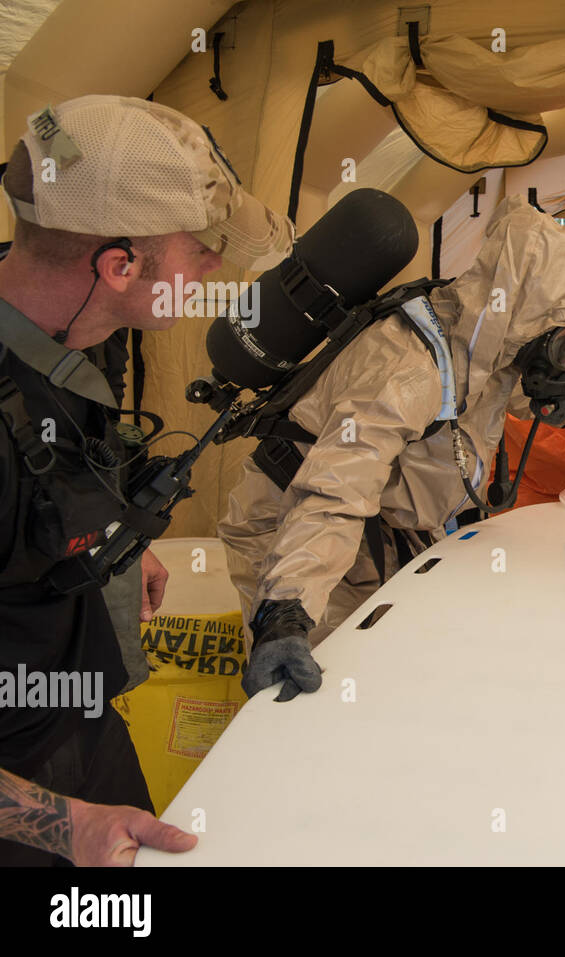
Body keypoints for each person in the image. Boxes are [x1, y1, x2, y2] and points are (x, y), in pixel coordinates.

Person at [0, 94, 294, 865]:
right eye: (200, 248)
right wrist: (63, 825)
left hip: (79, 711)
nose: (215, 268)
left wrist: (109, 537)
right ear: (118, 264)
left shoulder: (83, 324)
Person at [218, 195, 565, 700]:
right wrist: (288, 609)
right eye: (562, 335)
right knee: (325, 694)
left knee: (400, 670)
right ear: (532, 318)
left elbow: (485, 389)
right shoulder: (408, 366)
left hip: (377, 532)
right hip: (299, 531)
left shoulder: (481, 338)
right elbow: (337, 489)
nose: (564, 349)